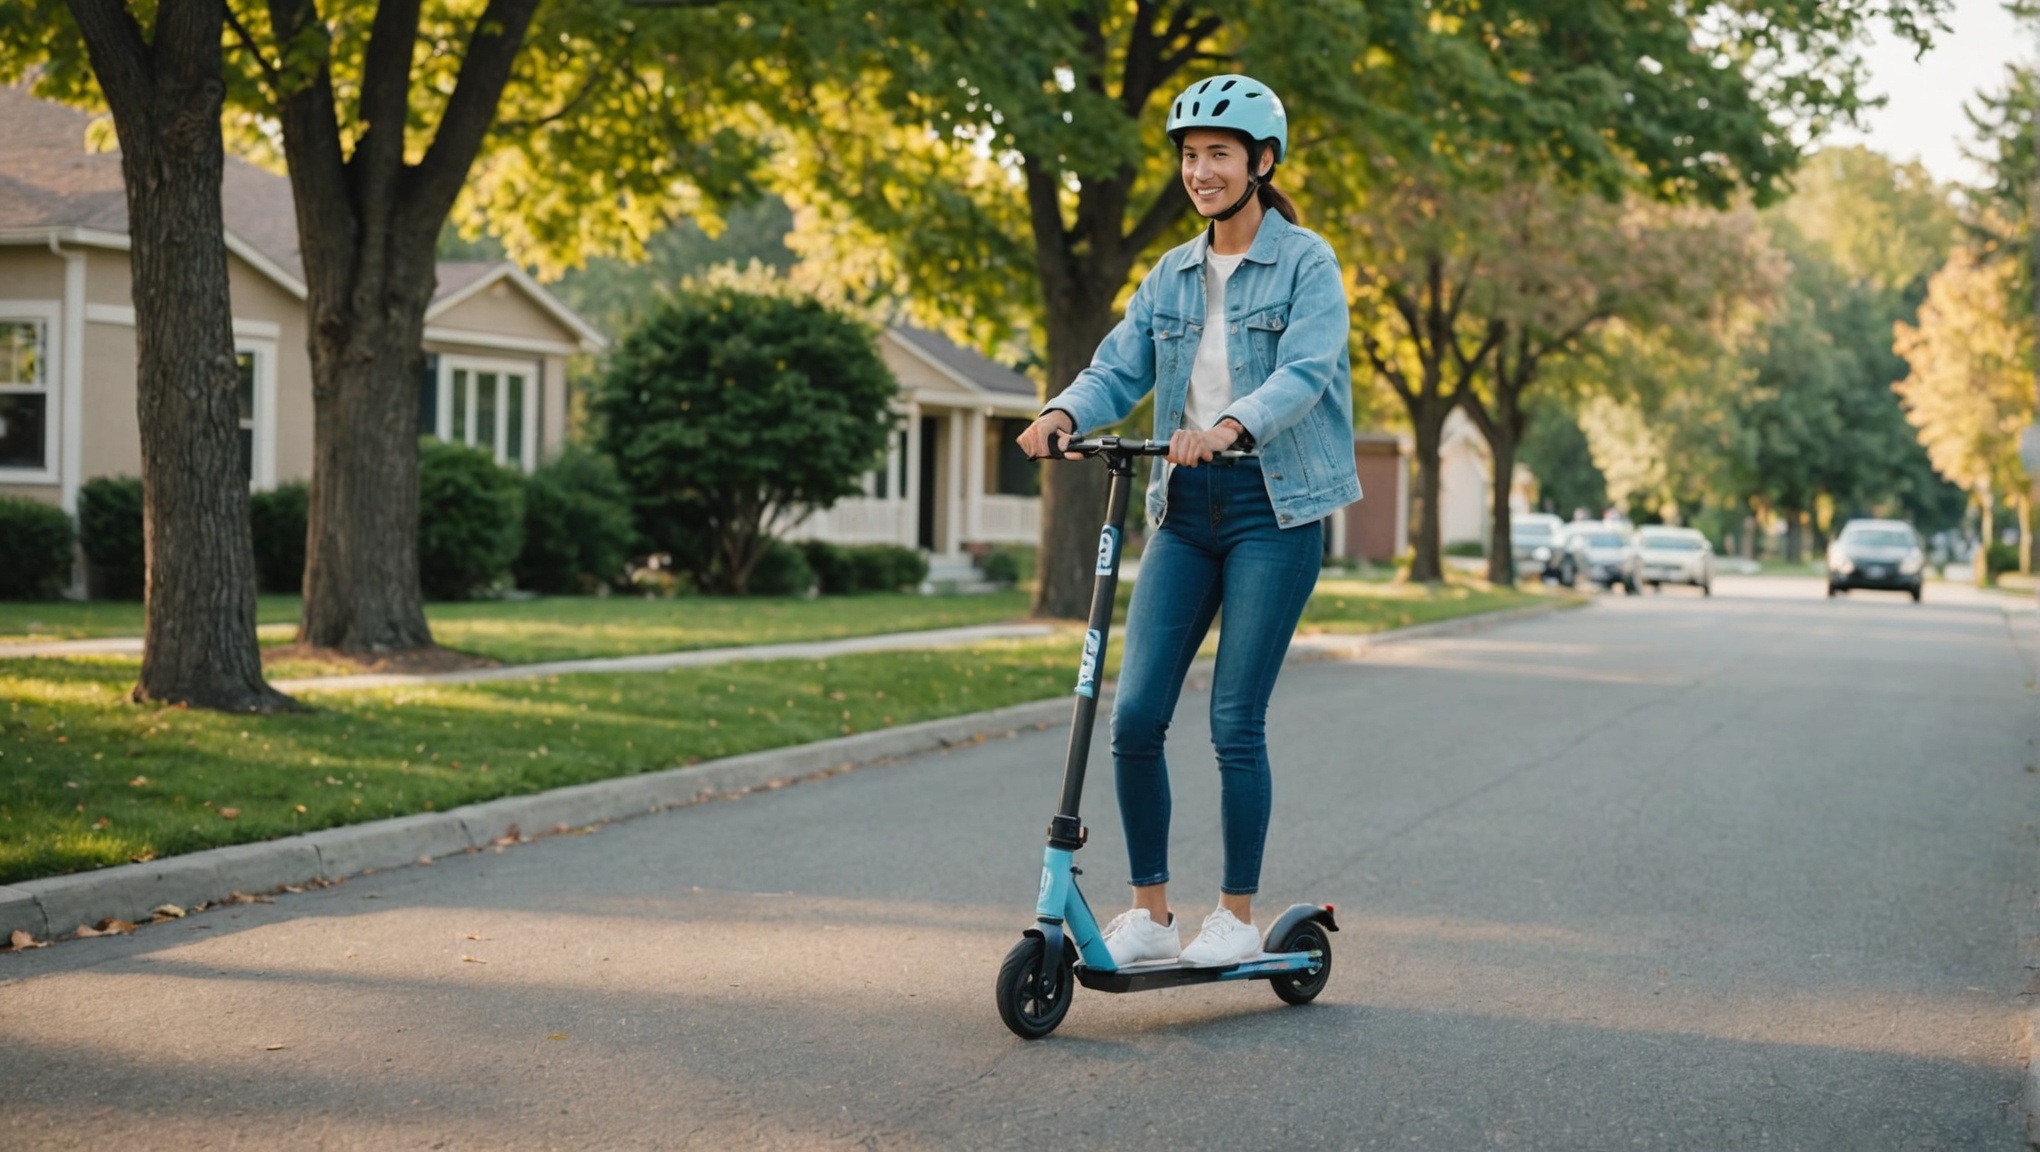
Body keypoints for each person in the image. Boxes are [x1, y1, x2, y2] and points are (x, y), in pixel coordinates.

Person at [1016, 74, 1359, 968]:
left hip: (1271, 507)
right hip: (1183, 508)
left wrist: (1229, 427)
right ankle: (1151, 916)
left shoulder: (1307, 263)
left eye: (1218, 155)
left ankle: (1235, 915)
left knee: (1235, 721)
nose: (1200, 172)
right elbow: (1116, 366)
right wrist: (1063, 413)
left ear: (1261, 163)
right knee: (1134, 718)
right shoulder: (1169, 274)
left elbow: (1307, 372)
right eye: (1189, 156)